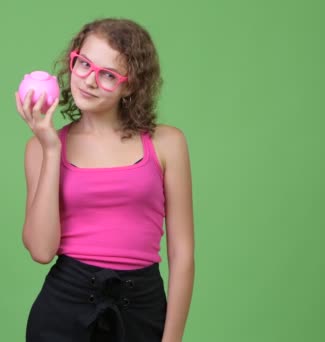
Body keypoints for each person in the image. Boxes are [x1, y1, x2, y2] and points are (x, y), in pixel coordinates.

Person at [14, 17, 194, 342]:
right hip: (63, 310)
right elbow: (42, 250)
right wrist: (52, 149)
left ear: (132, 85)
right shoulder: (40, 148)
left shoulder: (168, 143)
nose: (89, 81)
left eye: (108, 75)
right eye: (83, 64)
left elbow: (182, 256)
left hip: (142, 308)